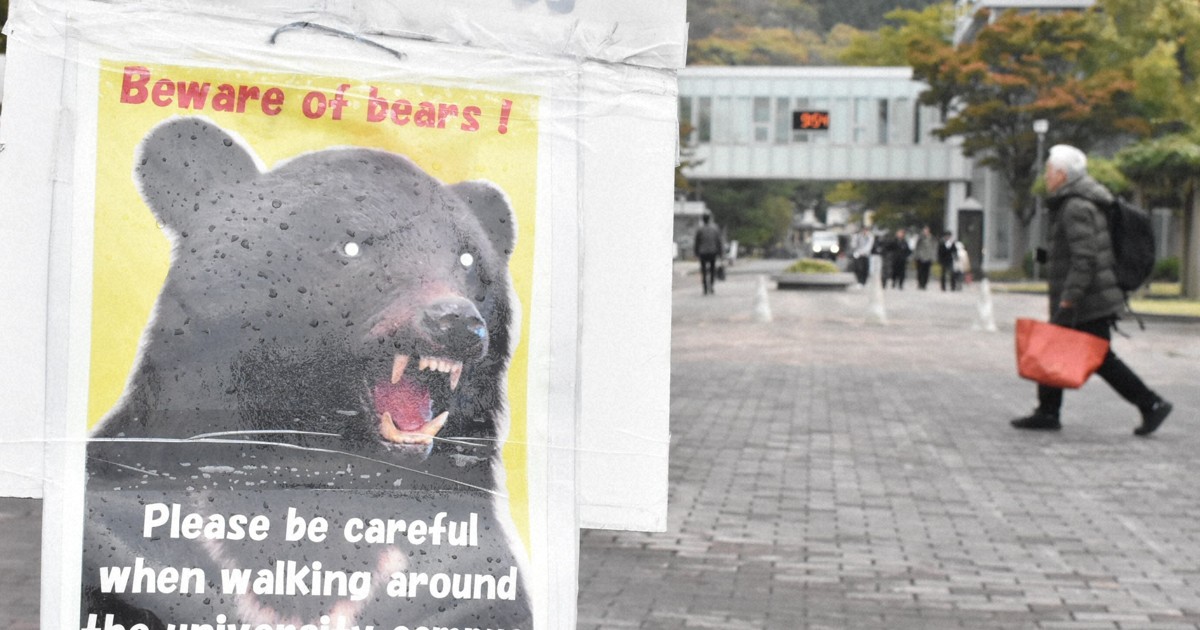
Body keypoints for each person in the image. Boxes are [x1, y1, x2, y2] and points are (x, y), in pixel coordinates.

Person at [1011, 144, 1173, 435]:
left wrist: (1069, 300)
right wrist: (1046, 258)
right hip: (1092, 296)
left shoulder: (1075, 206)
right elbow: (1076, 252)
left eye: (1049, 171)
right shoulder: (1078, 202)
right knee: (1068, 349)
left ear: (1062, 175)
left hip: (1088, 299)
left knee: (1099, 358)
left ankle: (1151, 404)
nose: (1045, 176)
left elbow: (1085, 259)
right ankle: (1048, 411)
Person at [694, 214, 724, 295]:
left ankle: (705, 288)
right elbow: (719, 242)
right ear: (709, 219)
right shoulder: (715, 229)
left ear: (703, 220)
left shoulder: (700, 230)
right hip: (712, 252)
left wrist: (696, 252)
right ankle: (711, 286)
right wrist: (721, 253)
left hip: (703, 252)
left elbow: (697, 242)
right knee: (712, 270)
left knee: (703, 270)